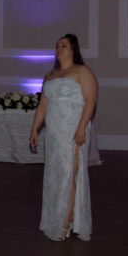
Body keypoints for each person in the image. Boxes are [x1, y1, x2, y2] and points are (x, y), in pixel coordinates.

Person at [29, 34, 98, 242]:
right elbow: (43, 104)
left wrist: (81, 129)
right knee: (56, 176)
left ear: (73, 49)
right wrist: (35, 129)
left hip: (72, 131)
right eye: (57, 45)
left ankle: (65, 222)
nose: (59, 48)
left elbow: (91, 101)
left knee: (70, 175)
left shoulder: (82, 72)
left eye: (64, 45)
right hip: (53, 134)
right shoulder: (50, 74)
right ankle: (55, 218)